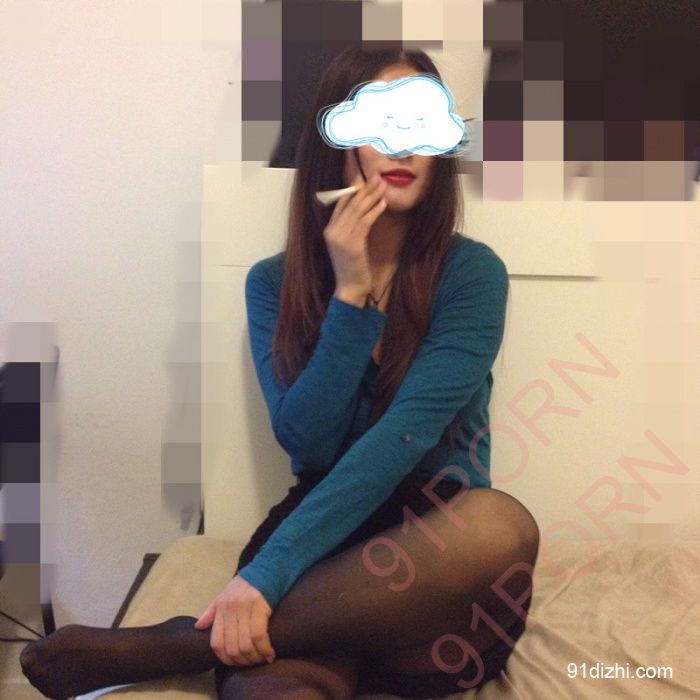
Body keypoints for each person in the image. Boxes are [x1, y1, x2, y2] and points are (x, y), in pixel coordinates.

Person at [19, 46, 540, 700]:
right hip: (322, 546)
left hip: (435, 557)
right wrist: (351, 297)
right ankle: (259, 636)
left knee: (500, 526)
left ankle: (175, 645)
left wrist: (265, 579)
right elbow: (309, 442)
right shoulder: (273, 283)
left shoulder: (472, 274)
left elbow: (402, 438)